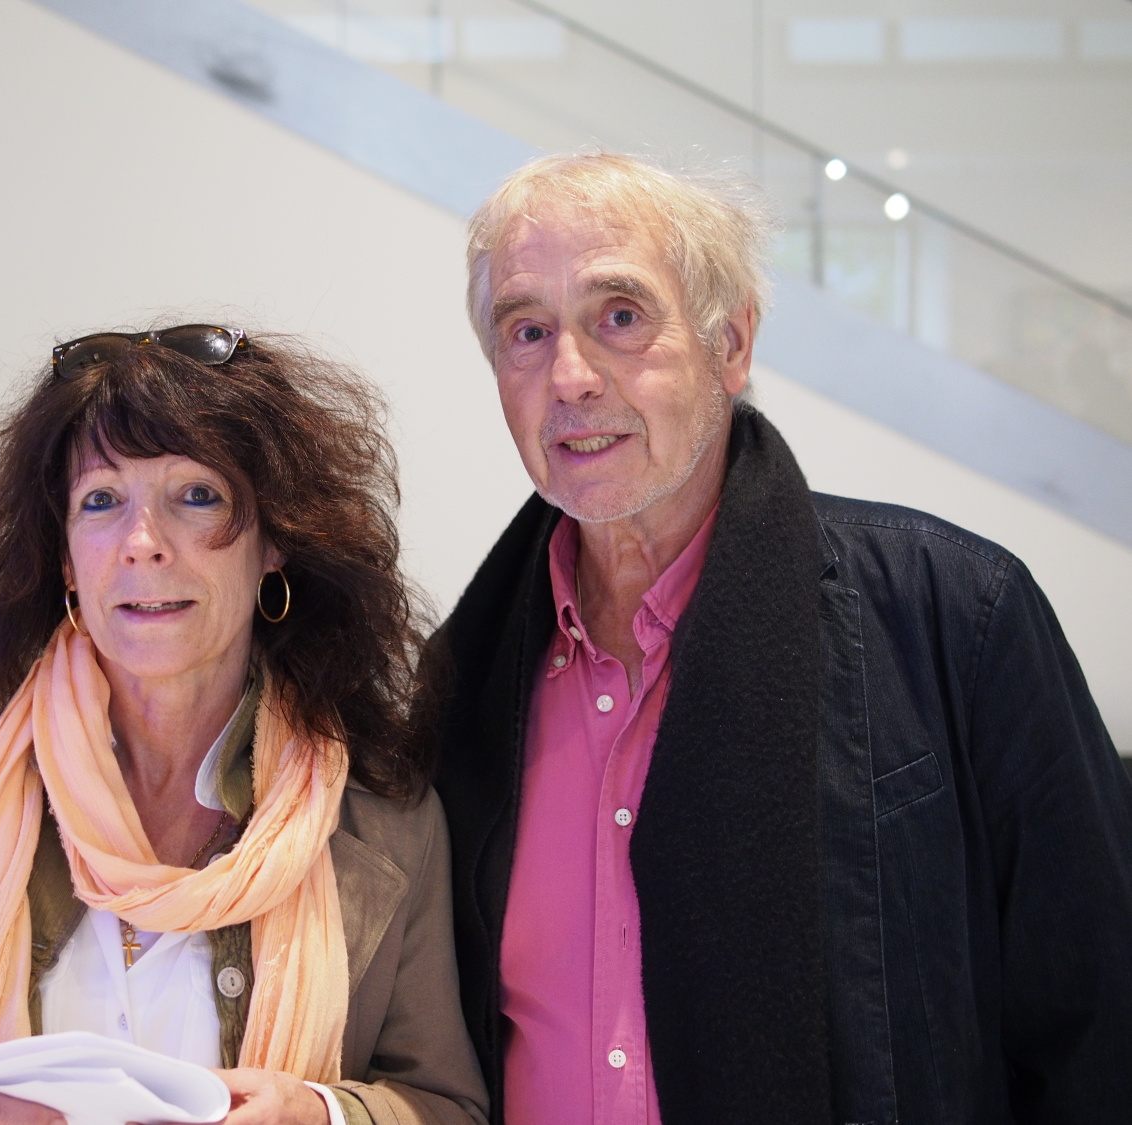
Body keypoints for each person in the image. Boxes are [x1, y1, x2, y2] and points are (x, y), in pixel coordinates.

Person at [427, 153, 1132, 1125]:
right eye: (528, 332)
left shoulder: (955, 617)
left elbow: (1101, 1032)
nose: (572, 377)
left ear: (731, 344)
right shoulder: (458, 690)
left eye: (620, 316)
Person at [0, 324, 487, 1125]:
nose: (143, 544)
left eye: (196, 495)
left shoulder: (384, 822)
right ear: (65, 558)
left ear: (275, 541)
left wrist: (322, 1114)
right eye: (101, 500)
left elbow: (447, 1105)